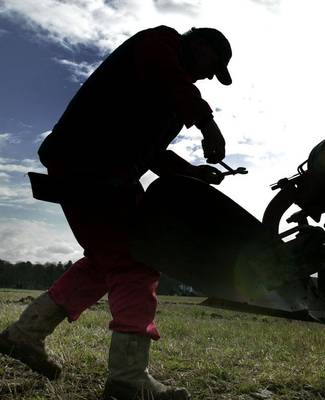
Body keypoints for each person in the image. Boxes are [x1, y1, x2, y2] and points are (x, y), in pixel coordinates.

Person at [0, 25, 233, 400]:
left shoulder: (167, 95)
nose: (208, 75)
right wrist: (208, 125)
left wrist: (193, 173)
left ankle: (24, 335)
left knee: (104, 263)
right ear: (198, 43)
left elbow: (151, 153)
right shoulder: (161, 43)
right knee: (137, 261)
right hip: (91, 167)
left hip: (102, 172)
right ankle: (127, 378)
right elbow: (170, 78)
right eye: (213, 64)